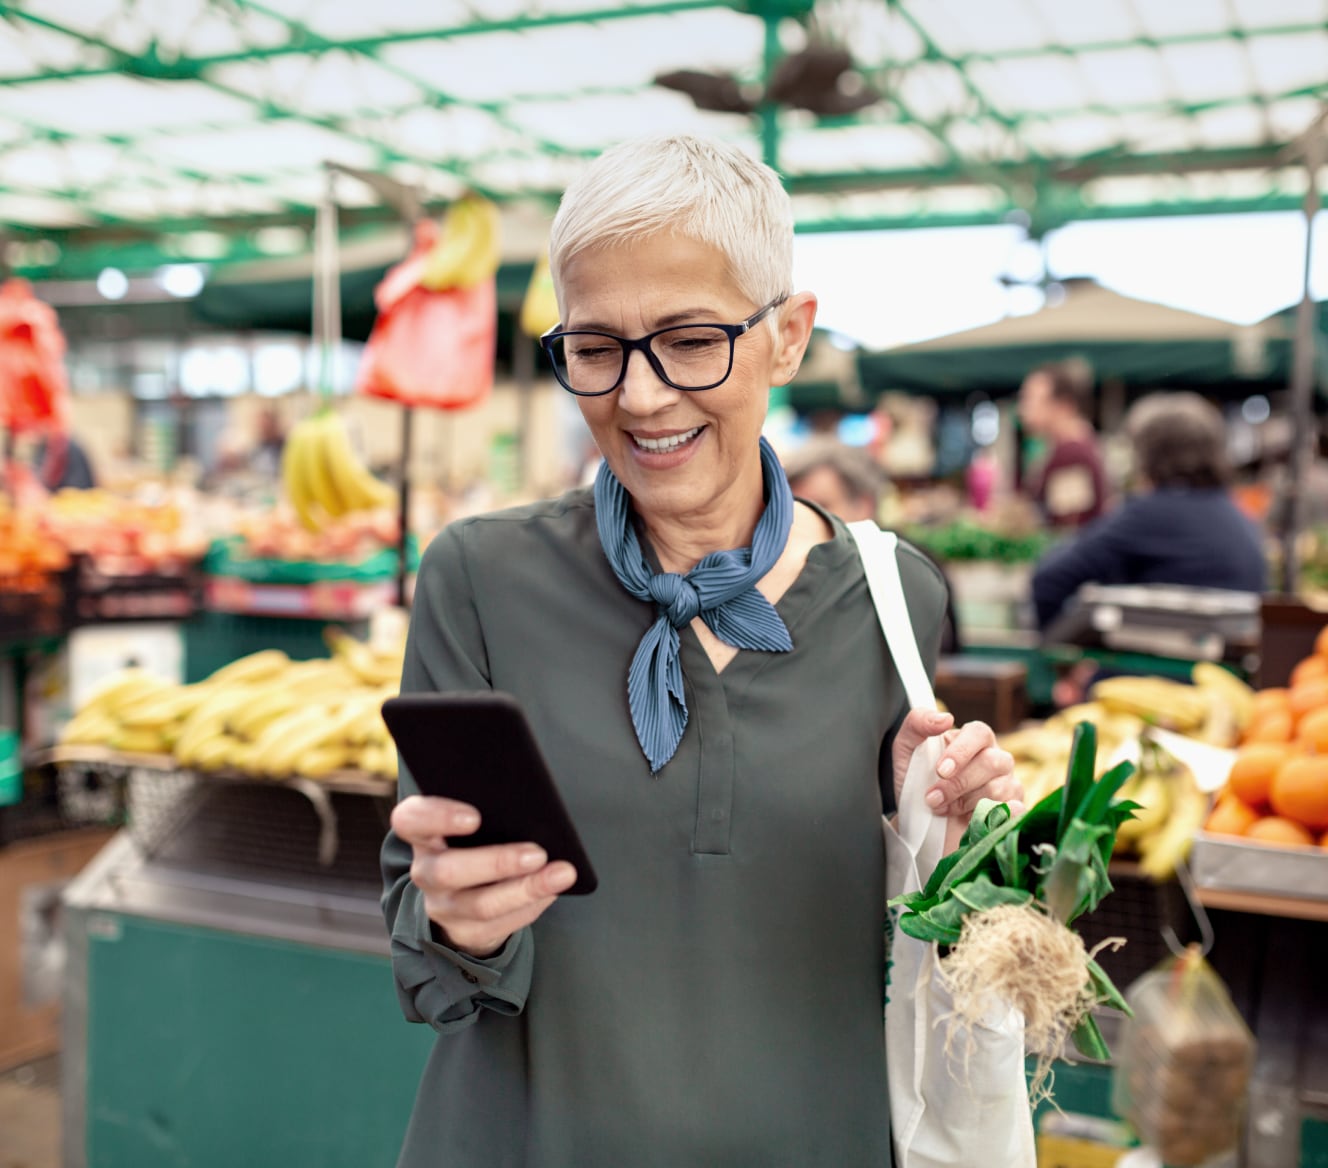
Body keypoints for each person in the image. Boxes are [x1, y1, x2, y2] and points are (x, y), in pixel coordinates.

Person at [381, 135, 1021, 1168]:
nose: (638, 397)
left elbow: (936, 942)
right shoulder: (478, 579)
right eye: (595, 349)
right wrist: (461, 921)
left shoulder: (896, 597)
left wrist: (939, 826)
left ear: (787, 336)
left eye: (688, 341)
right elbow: (427, 953)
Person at [1032, 391, 1267, 630]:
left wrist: (1062, 653)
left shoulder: (1152, 514)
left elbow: (1049, 579)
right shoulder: (1239, 515)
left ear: (1148, 456)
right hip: (1224, 662)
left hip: (1165, 663)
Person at [783, 435, 961, 654]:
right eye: (794, 508)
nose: (802, 520)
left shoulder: (908, 569)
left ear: (863, 506)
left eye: (820, 507)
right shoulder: (783, 572)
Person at [1018, 358, 1107, 528]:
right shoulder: (1074, 445)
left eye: (1030, 399)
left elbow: (1069, 525)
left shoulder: (1071, 453)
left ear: (1064, 405)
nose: (1023, 409)